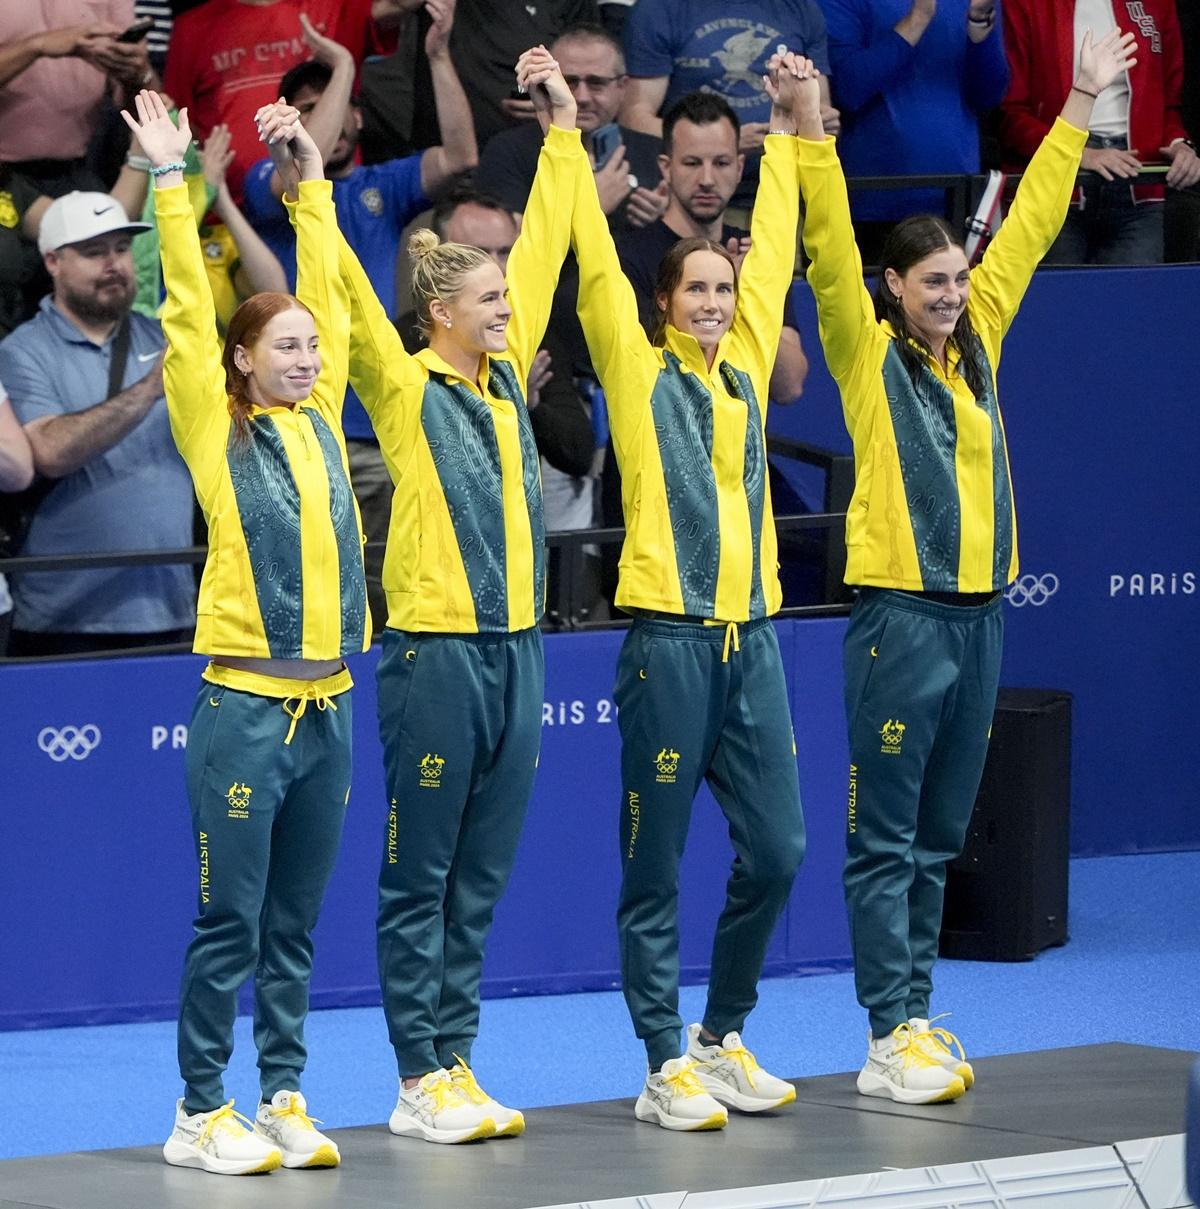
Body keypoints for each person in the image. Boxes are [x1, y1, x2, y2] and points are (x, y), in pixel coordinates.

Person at [795, 27, 1137, 1102]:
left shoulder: (981, 334)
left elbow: (1030, 229)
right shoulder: (862, 352)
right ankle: (885, 1032)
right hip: (902, 621)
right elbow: (821, 256)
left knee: (940, 838)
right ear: (892, 287)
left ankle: (914, 1017)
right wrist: (808, 139)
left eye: (955, 275)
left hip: (982, 616)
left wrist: (1081, 104)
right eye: (930, 279)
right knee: (887, 840)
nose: (950, 291)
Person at [325, 49, 587, 1144]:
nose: (507, 305)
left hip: (519, 649)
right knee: (419, 877)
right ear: (441, 310)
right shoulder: (404, 383)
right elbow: (339, 280)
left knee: (480, 880)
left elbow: (560, 235)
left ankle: (458, 1061)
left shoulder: (500, 382)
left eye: (507, 293)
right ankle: (414, 1075)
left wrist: (563, 128)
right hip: (436, 653)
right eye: (488, 294)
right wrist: (304, 191)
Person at [121, 89, 368, 1174]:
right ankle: (197, 1110)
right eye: (287, 346)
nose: (310, 358)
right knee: (232, 922)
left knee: (297, 928)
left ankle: (281, 1093)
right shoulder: (214, 429)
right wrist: (176, 184)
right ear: (242, 361)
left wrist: (310, 187)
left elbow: (344, 311)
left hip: (333, 707)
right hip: (245, 709)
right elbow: (184, 309)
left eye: (314, 346)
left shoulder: (322, 419)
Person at [567, 45, 809, 1132]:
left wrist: (799, 129)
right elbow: (589, 259)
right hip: (666, 642)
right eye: (698, 289)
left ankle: (722, 1035)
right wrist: (566, 143)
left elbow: (781, 251)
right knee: (654, 866)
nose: (716, 300)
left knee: (783, 847)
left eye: (725, 288)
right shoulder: (635, 365)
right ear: (665, 304)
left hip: (751, 639)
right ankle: (661, 1059)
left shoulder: (748, 363)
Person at [0, 190, 195, 656]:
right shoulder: (23, 350)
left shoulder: (163, 338)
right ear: (52, 262)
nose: (114, 264)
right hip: (62, 615)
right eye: (93, 252)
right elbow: (47, 451)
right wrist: (150, 387)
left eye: (122, 249)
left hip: (175, 606)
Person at [616, 91, 809, 403]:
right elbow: (658, 381)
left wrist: (745, 293)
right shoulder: (627, 256)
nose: (707, 179)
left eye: (721, 163)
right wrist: (722, 292)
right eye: (692, 163)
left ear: (738, 166)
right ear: (666, 167)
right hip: (656, 443)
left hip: (744, 446)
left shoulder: (754, 256)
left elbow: (789, 387)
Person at [1001, 0, 1196, 265]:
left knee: (1133, 302)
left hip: (1139, 181)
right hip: (1056, 186)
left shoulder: (1158, 3)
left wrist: (1179, 144)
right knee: (1056, 303)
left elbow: (1169, 105)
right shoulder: (1025, 4)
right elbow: (1009, 115)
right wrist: (1080, 153)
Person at [821, 0, 1009, 261]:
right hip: (873, 205)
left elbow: (987, 96)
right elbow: (848, 89)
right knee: (874, 301)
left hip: (956, 198)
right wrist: (918, 18)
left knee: (953, 300)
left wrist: (979, 19)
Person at [619, 0, 837, 210]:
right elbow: (634, 118)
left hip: (784, 197)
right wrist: (725, 143)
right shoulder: (658, 9)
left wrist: (812, 124)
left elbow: (823, 116)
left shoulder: (801, 8)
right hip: (693, 204)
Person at [477, 23, 665, 233]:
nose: (582, 97)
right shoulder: (507, 152)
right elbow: (509, 247)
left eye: (596, 83)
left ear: (622, 87)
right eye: (569, 82)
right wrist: (591, 206)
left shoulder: (655, 152)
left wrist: (667, 217)